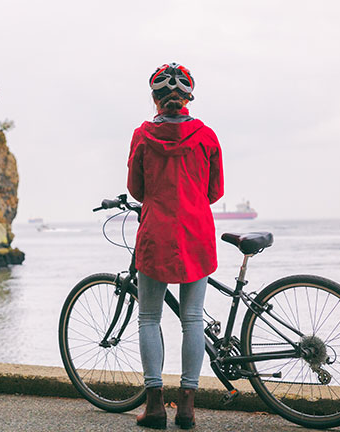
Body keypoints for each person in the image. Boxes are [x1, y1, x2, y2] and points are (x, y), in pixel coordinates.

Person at [127, 63, 224, 429]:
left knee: (149, 317)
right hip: (196, 234)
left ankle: (154, 407)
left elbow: (136, 189)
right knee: (192, 318)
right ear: (188, 99)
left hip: (156, 234)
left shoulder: (142, 136)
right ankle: (187, 407)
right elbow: (215, 191)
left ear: (155, 99)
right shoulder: (207, 136)